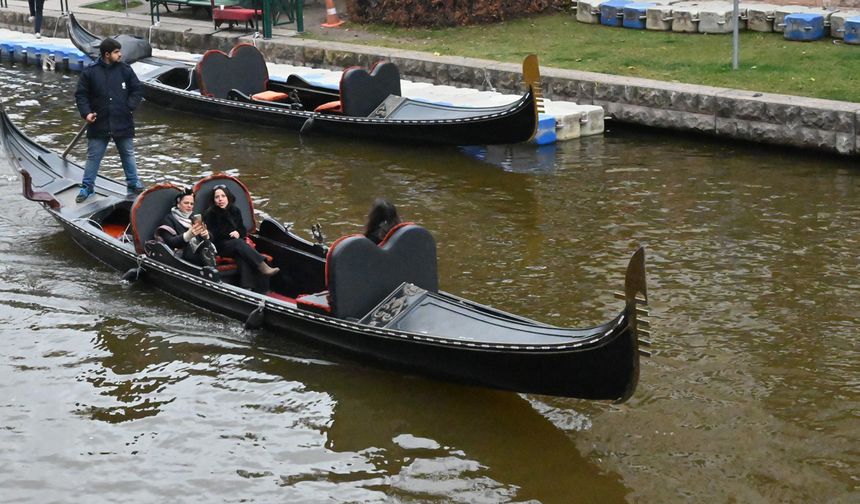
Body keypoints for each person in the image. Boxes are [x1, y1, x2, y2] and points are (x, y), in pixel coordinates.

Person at [74, 37, 145, 204]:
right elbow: (81, 95)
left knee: (127, 154)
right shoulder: (90, 72)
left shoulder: (125, 70)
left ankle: (133, 184)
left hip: (122, 120)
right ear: (107, 54)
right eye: (116, 52)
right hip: (99, 122)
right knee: (93, 156)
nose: (120, 55)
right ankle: (87, 186)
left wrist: (129, 106)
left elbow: (137, 90)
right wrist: (86, 113)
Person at [204, 184, 279, 293]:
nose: (220, 199)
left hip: (236, 244)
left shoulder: (235, 210)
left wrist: (238, 233)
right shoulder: (210, 213)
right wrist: (230, 233)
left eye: (223, 196)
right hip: (220, 245)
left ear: (228, 197)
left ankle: (247, 287)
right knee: (239, 244)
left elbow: (243, 229)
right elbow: (213, 234)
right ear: (214, 200)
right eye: (217, 197)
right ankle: (262, 266)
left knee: (242, 253)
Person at [156, 188, 217, 268]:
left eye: (192, 204)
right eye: (186, 203)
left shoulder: (194, 217)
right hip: (182, 256)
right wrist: (188, 235)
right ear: (178, 204)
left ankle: (210, 267)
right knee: (201, 248)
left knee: (206, 244)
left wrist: (206, 235)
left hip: (198, 251)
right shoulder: (169, 219)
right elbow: (170, 242)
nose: (189, 206)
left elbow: (210, 237)